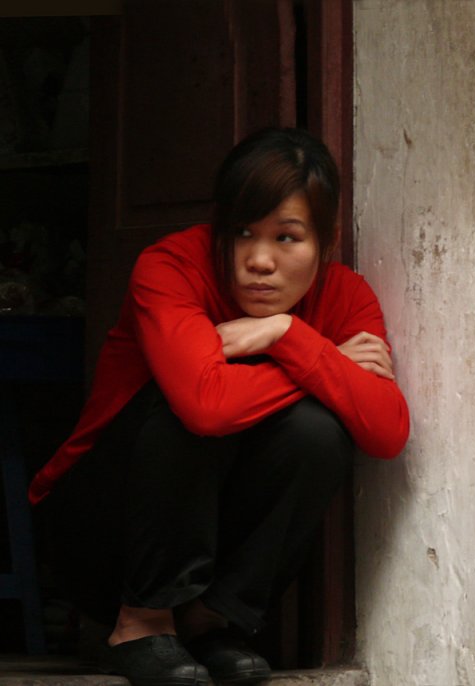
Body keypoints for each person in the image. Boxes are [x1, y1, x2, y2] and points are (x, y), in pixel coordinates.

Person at [29, 128, 410, 686]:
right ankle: (140, 623)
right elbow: (205, 407)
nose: (259, 260)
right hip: (97, 531)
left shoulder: (346, 295)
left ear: (326, 241)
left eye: (287, 238)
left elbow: (386, 432)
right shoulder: (170, 268)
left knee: (319, 432)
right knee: (186, 407)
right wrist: (325, 361)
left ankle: (209, 624)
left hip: (208, 546)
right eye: (242, 233)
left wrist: (286, 336)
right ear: (218, 231)